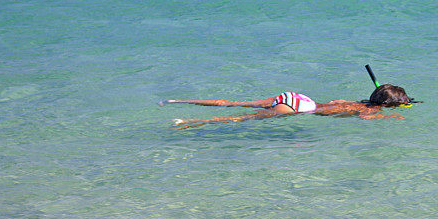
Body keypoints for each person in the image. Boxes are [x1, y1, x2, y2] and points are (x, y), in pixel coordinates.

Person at [162, 84, 412, 129]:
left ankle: (175, 101)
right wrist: (388, 119)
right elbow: (365, 119)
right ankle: (187, 123)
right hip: (301, 109)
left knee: (233, 104)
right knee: (239, 118)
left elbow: (337, 105)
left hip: (300, 98)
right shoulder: (369, 110)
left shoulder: (358, 102)